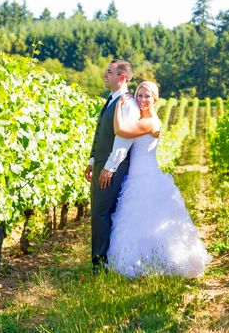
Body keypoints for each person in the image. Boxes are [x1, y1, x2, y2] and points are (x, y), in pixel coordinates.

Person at [107, 81, 212, 278]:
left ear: (155, 99)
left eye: (147, 96)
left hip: (146, 175)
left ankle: (154, 262)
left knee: (148, 218)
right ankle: (141, 261)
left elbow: (120, 130)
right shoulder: (141, 118)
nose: (142, 99)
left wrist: (119, 106)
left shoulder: (150, 122)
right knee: (137, 219)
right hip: (135, 175)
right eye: (139, 95)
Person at [85, 59, 142, 273]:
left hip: (113, 166)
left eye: (109, 72)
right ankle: (105, 261)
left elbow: (123, 139)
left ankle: (100, 265)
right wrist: (93, 161)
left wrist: (109, 167)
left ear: (122, 77)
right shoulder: (112, 99)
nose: (104, 75)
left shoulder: (127, 103)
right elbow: (101, 133)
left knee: (101, 213)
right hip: (102, 162)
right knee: (101, 213)